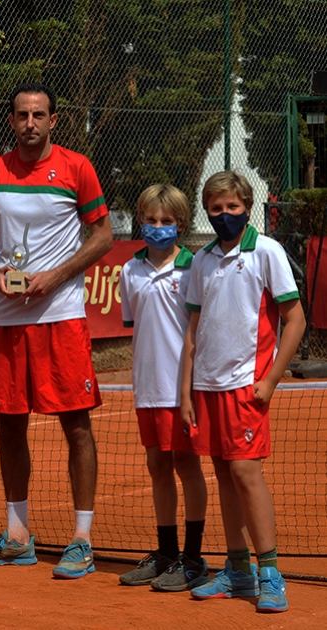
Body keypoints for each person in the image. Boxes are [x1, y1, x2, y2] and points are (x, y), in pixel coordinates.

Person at [0, 82, 113, 578]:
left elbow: (104, 235)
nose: (30, 123)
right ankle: (18, 534)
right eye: (22, 115)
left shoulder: (77, 168)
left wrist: (54, 277)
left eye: (39, 115)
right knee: (10, 422)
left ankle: (82, 539)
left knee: (75, 425)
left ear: (54, 120)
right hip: (7, 318)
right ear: (11, 120)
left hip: (61, 316)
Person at [183, 171, 304, 613]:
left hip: (246, 387)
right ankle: (237, 572)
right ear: (207, 211)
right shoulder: (201, 260)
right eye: (216, 209)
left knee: (246, 476)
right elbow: (192, 333)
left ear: (247, 206)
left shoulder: (267, 251)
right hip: (206, 388)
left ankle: (271, 574)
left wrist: (270, 379)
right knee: (225, 478)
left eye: (232, 207)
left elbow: (296, 320)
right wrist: (185, 394)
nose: (224, 215)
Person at [117, 185, 209, 591]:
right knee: (157, 467)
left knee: (186, 466)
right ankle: (166, 553)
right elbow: (135, 328)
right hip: (147, 388)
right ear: (141, 219)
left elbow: (198, 332)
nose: (157, 228)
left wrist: (190, 389)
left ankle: (192, 559)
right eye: (151, 220)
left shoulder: (195, 268)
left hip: (183, 391)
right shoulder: (129, 271)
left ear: (181, 225)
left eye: (166, 222)